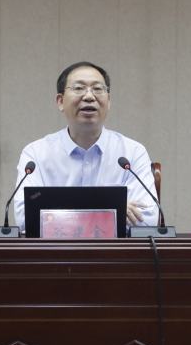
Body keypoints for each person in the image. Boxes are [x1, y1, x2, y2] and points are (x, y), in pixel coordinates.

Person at [13, 61, 158, 233]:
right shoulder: (36, 154)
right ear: (60, 101)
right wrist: (113, 208)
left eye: (97, 89)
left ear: (108, 101)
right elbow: (25, 219)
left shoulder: (132, 153)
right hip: (56, 250)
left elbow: (146, 221)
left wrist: (57, 214)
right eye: (79, 88)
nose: (89, 96)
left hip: (114, 250)